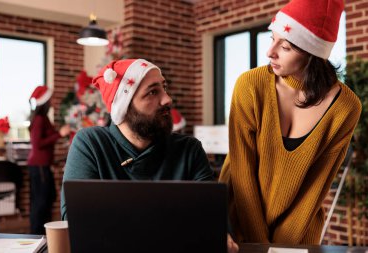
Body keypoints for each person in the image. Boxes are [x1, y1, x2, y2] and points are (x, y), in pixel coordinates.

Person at [219, 0, 362, 245]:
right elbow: (243, 175)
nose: (270, 52)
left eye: (284, 47)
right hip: (236, 225)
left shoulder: (345, 108)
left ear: (313, 54)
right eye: (270, 38)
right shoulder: (250, 86)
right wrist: (260, 246)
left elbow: (317, 185)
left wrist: (284, 247)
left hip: (299, 235)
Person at [60, 59, 239, 253]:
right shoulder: (91, 144)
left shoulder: (189, 149)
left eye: (164, 87)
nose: (167, 99)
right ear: (124, 106)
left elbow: (212, 220)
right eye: (153, 92)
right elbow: (77, 223)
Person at [27, 85, 71, 234]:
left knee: (47, 198)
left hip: (43, 166)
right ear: (45, 101)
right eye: (50, 99)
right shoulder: (39, 119)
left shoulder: (43, 118)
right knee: (41, 202)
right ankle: (38, 235)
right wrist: (59, 133)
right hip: (39, 166)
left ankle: (42, 234)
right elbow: (37, 143)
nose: (52, 101)